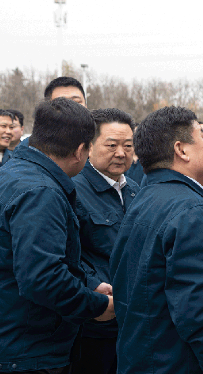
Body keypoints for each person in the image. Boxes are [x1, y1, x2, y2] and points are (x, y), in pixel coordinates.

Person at [0, 97, 115, 374]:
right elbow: (42, 278)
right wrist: (97, 306)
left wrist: (87, 284)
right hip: (21, 350)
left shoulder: (17, 173)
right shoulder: (40, 192)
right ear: (81, 151)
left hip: (8, 337)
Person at [109, 106, 203, 374]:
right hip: (176, 363)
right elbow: (201, 313)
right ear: (181, 150)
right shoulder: (191, 211)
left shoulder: (144, 199)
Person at [72, 109, 140, 374]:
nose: (121, 153)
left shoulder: (134, 189)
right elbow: (67, 255)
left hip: (132, 318)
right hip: (95, 319)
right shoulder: (73, 189)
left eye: (128, 146)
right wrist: (92, 287)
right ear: (89, 146)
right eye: (112, 145)